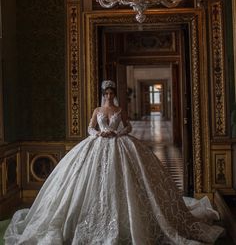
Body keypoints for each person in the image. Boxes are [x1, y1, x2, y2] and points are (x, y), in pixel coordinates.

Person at [4, 80, 224, 244]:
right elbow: (90, 128)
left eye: (111, 92)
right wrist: (98, 134)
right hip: (98, 145)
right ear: (103, 94)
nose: (109, 95)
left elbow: (128, 127)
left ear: (114, 94)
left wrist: (118, 134)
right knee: (89, 182)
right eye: (106, 93)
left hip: (120, 144)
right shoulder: (98, 110)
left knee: (125, 181)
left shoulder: (119, 110)